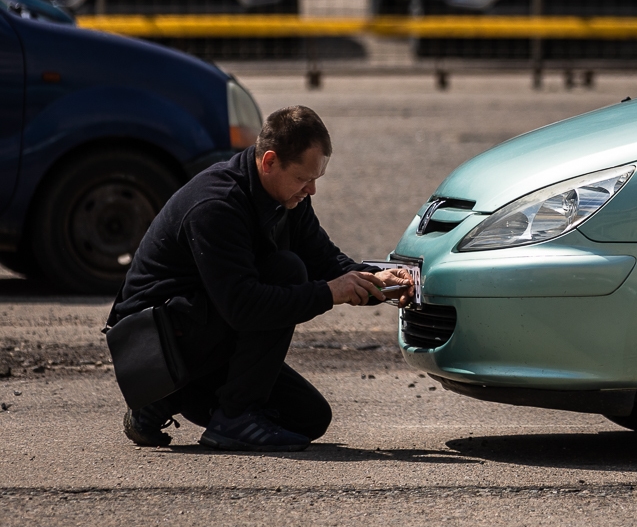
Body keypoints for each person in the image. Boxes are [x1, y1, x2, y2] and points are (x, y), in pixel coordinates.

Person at [107, 105, 412, 452]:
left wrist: (378, 282)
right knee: (286, 271)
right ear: (269, 162)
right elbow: (243, 307)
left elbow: (326, 260)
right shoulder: (216, 204)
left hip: (201, 337)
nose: (311, 189)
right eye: (302, 178)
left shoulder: (288, 198)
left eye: (316, 179)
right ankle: (231, 417)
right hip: (149, 345)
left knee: (308, 418)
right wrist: (330, 293)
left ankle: (160, 402)